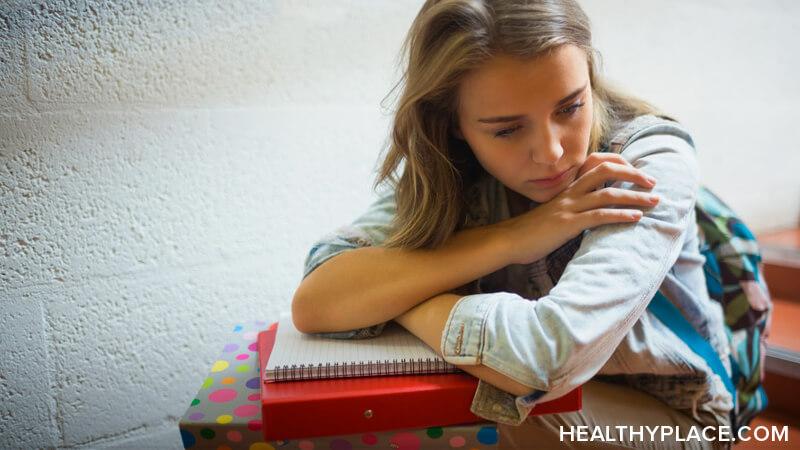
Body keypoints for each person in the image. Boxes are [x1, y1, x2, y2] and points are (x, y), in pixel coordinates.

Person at [291, 1, 732, 448]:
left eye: (570, 107)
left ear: (590, 77)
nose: (552, 152)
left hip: (678, 415)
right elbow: (316, 301)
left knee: (506, 418)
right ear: (454, 126)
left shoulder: (648, 159)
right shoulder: (450, 169)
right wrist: (513, 238)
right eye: (506, 130)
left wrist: (399, 297)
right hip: (551, 405)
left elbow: (542, 360)